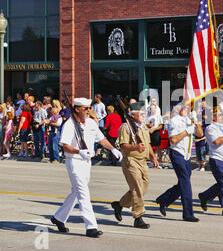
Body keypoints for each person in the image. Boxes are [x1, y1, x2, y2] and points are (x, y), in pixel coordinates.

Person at [50, 97, 123, 238]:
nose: (89, 110)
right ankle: (91, 227)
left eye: (90, 108)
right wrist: (79, 151)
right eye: (86, 108)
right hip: (75, 161)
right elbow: (65, 146)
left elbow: (101, 139)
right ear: (77, 109)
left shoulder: (90, 123)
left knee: (76, 193)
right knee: (84, 193)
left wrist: (113, 149)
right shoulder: (70, 124)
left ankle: (58, 218)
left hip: (87, 162)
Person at [111, 102, 158, 229]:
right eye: (141, 114)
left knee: (143, 188)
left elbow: (147, 145)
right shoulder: (126, 127)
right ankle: (138, 217)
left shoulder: (143, 127)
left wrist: (153, 157)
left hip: (143, 162)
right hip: (131, 161)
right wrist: (135, 147)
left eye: (145, 113)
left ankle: (119, 205)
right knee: (137, 188)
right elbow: (123, 146)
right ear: (133, 115)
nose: (144, 116)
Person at [155, 104, 203, 222]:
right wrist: (187, 131)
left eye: (189, 108)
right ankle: (188, 214)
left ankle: (163, 200)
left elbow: (200, 134)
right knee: (186, 184)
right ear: (179, 109)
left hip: (187, 156)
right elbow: (173, 139)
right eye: (185, 108)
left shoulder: (189, 120)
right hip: (177, 154)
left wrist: (196, 122)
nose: (187, 110)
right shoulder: (174, 121)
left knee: (183, 182)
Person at [197, 106, 223, 217]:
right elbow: (216, 141)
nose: (222, 117)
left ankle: (205, 196)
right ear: (213, 117)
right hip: (217, 159)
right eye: (219, 115)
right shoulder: (211, 128)